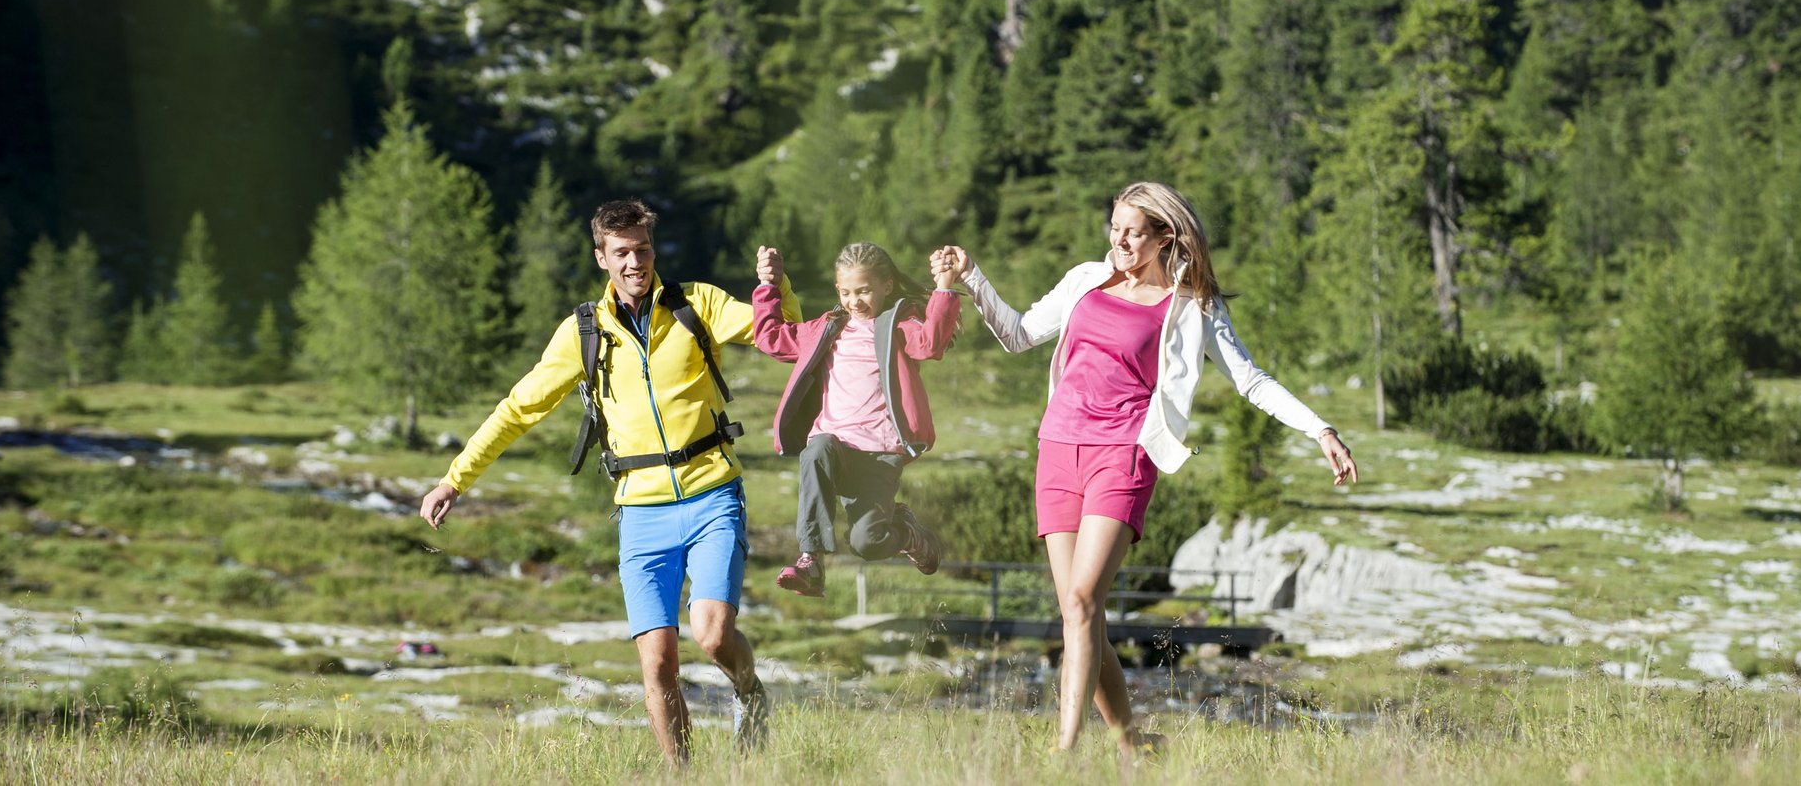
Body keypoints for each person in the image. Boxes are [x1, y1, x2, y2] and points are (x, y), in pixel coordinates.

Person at [935, 181, 1358, 758]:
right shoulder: (1086, 279)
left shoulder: (1193, 305)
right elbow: (1017, 334)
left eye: (1134, 231)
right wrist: (973, 276)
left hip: (1124, 454)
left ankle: (1064, 751)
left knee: (1082, 602)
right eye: (1115, 227)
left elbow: (1250, 380)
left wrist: (1321, 429)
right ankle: (1131, 741)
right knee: (1078, 611)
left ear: (1165, 236)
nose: (1120, 240)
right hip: (1058, 448)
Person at [416, 199, 799, 767]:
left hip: (712, 492)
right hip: (642, 514)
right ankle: (684, 777)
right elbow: (518, 408)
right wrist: (455, 479)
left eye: (643, 249)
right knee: (657, 664)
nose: (635, 262)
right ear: (601, 257)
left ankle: (750, 692)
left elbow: (782, 336)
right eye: (621, 252)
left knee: (714, 636)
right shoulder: (584, 332)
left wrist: (777, 286)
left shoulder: (698, 304)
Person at [749, 242, 962, 596]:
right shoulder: (827, 329)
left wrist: (944, 288)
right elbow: (771, 338)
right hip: (835, 448)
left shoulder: (897, 326)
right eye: (846, 292)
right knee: (816, 448)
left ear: (886, 286)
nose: (855, 301)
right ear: (837, 291)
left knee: (868, 542)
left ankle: (907, 532)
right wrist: (768, 286)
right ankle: (811, 560)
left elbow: (930, 344)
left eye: (864, 291)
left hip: (879, 456)